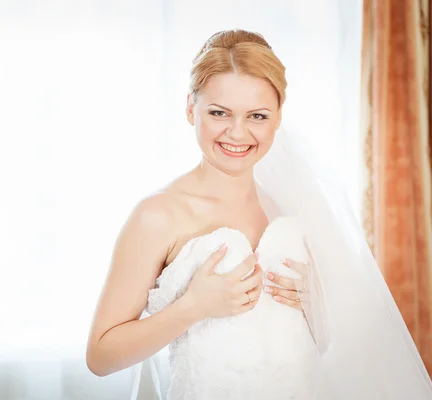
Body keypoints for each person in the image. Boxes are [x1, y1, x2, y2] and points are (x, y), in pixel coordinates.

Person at [86, 30, 432, 399]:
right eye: (219, 112)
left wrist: (315, 306)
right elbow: (100, 356)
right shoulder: (157, 216)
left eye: (257, 115)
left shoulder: (293, 209)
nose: (238, 132)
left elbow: (330, 345)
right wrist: (193, 306)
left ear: (279, 115)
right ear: (190, 108)